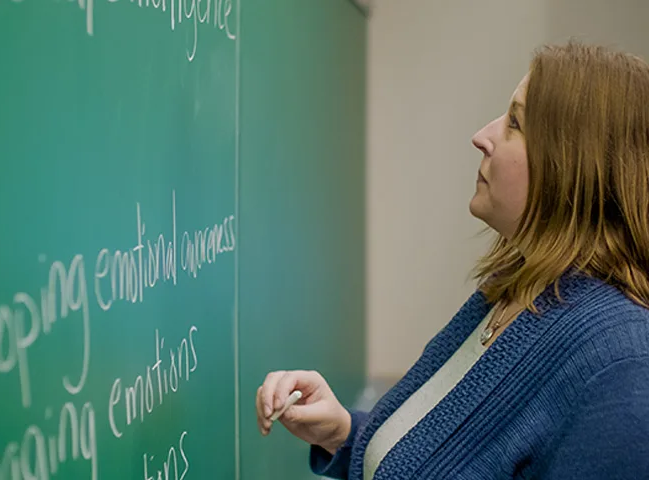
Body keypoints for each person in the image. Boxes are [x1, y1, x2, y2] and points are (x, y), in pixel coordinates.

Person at [255, 40, 649, 479]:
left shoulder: (620, 366)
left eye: (515, 123)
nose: (483, 136)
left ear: (572, 165)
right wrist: (343, 434)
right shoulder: (516, 288)